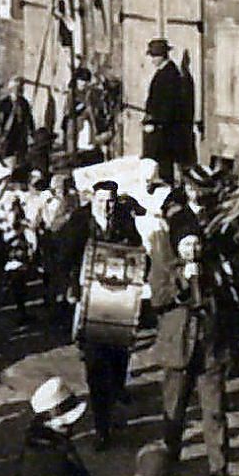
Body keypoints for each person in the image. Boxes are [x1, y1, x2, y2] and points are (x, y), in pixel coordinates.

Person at [153, 230, 236, 476]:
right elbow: (157, 299)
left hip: (210, 349)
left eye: (196, 243)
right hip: (179, 348)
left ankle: (219, 468)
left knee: (215, 409)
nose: (192, 249)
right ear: (178, 247)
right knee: (175, 409)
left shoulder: (212, 267)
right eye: (186, 244)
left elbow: (229, 304)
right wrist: (183, 283)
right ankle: (170, 459)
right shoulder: (166, 268)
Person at [73, 180, 146, 449]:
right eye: (102, 200)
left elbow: (139, 252)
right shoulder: (80, 222)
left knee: (117, 362)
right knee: (95, 366)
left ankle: (114, 405)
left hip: (119, 303)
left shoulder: (124, 221)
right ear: (93, 199)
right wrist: (71, 286)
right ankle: (101, 426)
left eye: (112, 200)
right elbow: (62, 253)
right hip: (90, 302)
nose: (107, 206)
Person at [141, 36, 195, 178]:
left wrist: (155, 122)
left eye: (154, 56)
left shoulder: (169, 74)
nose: (152, 60)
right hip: (162, 128)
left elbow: (168, 104)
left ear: (161, 56)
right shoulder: (165, 72)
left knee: (165, 164)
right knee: (161, 163)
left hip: (166, 130)